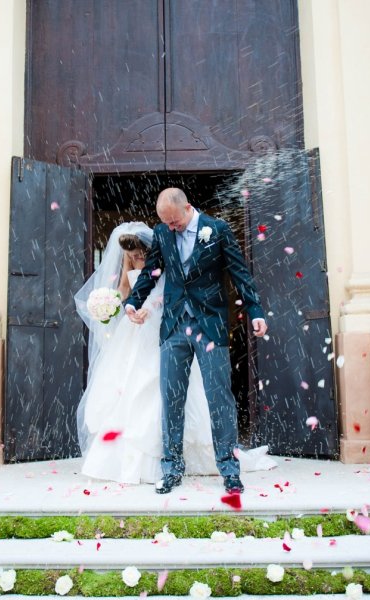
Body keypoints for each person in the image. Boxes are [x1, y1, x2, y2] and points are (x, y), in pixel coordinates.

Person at [74, 222, 273, 484]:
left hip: (166, 324)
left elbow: (169, 288)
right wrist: (113, 303)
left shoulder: (162, 250)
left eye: (140, 255)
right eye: (133, 257)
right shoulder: (129, 256)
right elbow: (126, 287)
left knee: (171, 389)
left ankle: (193, 458)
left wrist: (152, 306)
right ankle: (154, 461)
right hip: (136, 328)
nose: (137, 259)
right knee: (129, 385)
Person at [124, 188, 268, 495]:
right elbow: (151, 271)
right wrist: (133, 302)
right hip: (174, 326)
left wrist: (255, 310)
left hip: (210, 326)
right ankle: (172, 469)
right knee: (171, 400)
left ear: (188, 208)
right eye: (166, 223)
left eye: (175, 222)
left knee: (220, 400)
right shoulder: (163, 233)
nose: (171, 228)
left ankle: (229, 470)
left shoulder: (218, 230)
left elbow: (240, 274)